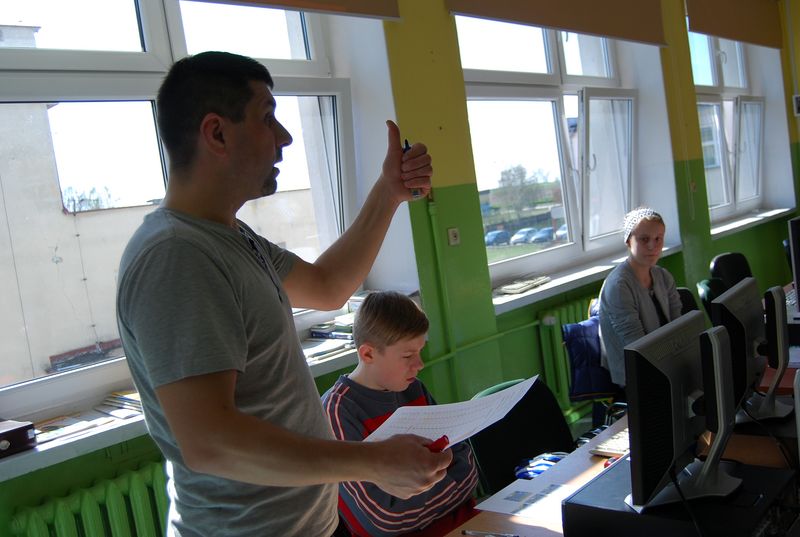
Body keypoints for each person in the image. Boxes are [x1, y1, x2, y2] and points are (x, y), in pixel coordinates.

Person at [115, 51, 451, 537]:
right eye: (267, 117)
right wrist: (372, 461)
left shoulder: (231, 238)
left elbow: (328, 286)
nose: (285, 137)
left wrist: (389, 191)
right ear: (217, 133)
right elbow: (209, 442)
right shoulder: (176, 255)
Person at [322, 291, 479, 537]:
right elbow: (384, 521)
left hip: (466, 525)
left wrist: (422, 501)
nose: (420, 364)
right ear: (368, 354)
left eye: (420, 351)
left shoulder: (413, 388)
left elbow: (468, 469)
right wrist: (452, 492)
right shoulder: (337, 412)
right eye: (407, 355)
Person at [598, 207, 682, 391]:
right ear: (628, 241)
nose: (652, 246)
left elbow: (679, 325)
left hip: (665, 359)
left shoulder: (663, 276)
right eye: (644, 239)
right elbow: (636, 345)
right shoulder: (619, 285)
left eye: (658, 239)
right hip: (636, 373)